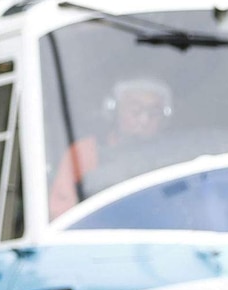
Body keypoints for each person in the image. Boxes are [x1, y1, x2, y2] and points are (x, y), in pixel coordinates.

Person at [49, 77, 173, 219]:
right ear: (114, 111)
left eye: (153, 113)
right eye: (135, 110)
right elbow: (60, 213)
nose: (144, 120)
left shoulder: (171, 156)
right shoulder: (84, 153)